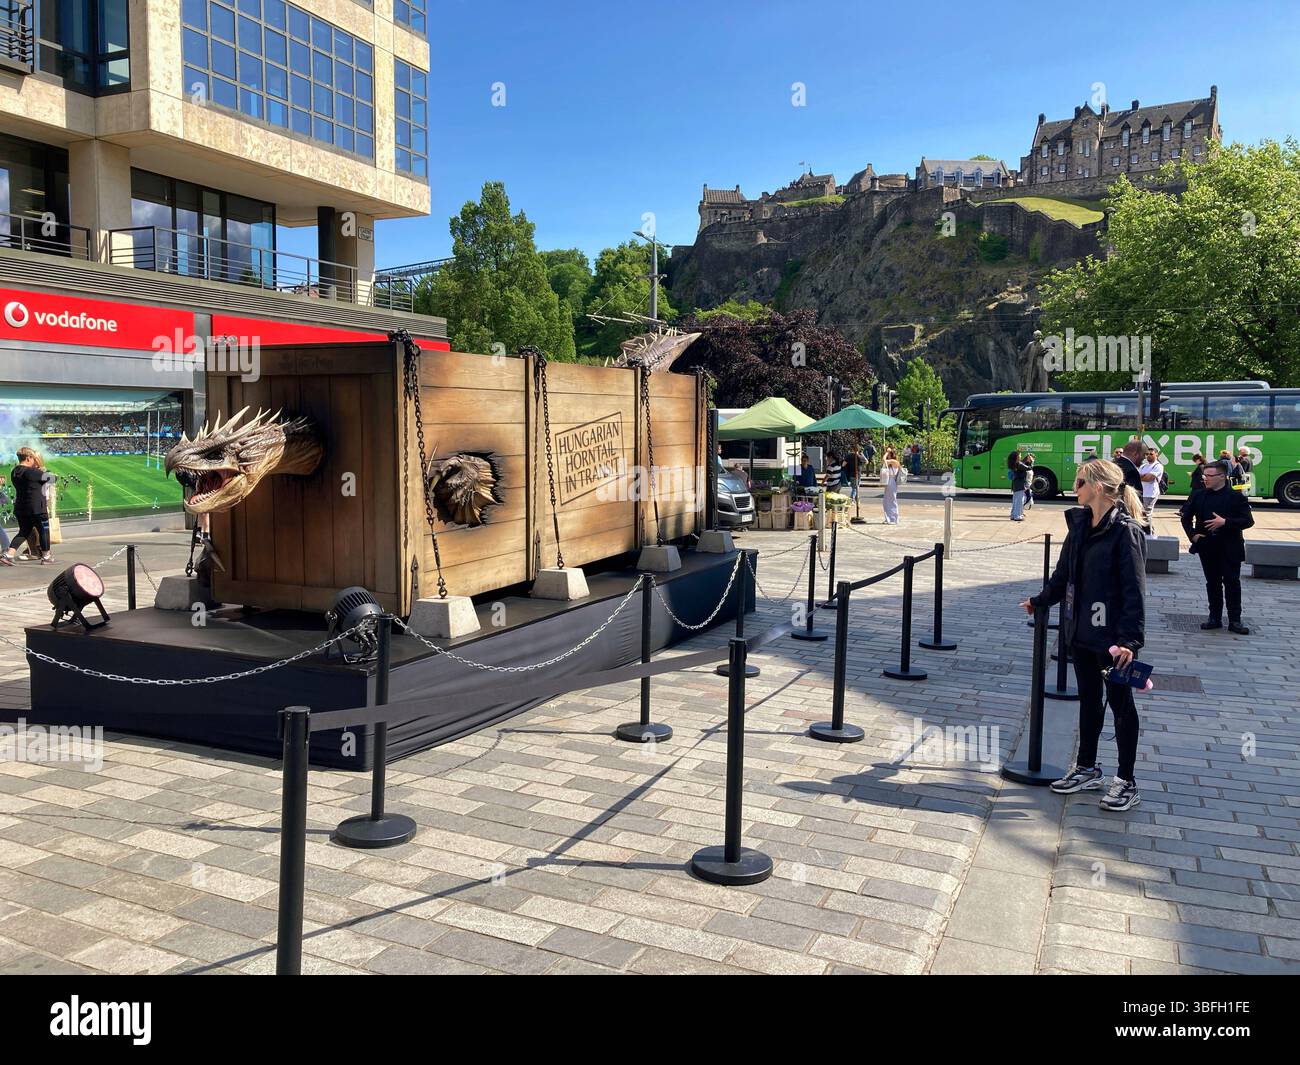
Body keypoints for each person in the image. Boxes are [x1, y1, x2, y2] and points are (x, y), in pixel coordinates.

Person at [1020, 459, 1147, 812]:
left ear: (1099, 487)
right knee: (1089, 700)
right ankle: (1088, 767)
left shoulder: (1126, 531)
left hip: (1113, 639)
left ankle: (1126, 780)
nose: (1074, 488)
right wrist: (1040, 600)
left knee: (1121, 705)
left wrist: (1129, 641)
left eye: (1079, 483)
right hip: (1081, 631)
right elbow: (1064, 575)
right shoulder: (1079, 525)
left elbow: (1133, 590)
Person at [1179, 459, 1254, 635]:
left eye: (1210, 476)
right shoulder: (1199, 495)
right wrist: (1193, 536)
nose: (1206, 479)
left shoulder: (1236, 496)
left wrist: (1225, 522)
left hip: (1230, 547)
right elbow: (1185, 517)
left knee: (1232, 582)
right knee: (1212, 583)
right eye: (1205, 475)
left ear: (1222, 476)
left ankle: (1235, 620)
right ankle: (1214, 617)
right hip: (1207, 546)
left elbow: (1248, 521)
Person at [3, 447, 53, 566]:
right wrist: (40, 466)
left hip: (21, 507)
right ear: (29, 458)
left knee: (24, 531)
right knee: (44, 531)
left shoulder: (15, 471)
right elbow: (52, 479)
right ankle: (46, 556)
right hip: (37, 508)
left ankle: (9, 555)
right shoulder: (32, 472)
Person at [1138, 446, 1164, 527]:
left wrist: (1142, 476)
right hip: (1141, 493)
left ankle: (1149, 534)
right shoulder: (1143, 466)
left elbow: (1149, 478)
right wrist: (1143, 476)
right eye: (1147, 454)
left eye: (1151, 454)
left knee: (1146, 515)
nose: (1148, 455)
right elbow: (1137, 476)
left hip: (1150, 494)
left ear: (1157, 455)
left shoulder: (1158, 466)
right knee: (1140, 514)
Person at [881, 447, 902, 524]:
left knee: (892, 500)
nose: (887, 456)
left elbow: (883, 460)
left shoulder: (894, 461)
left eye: (889, 454)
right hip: (889, 481)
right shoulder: (891, 462)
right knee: (886, 501)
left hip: (891, 481)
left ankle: (894, 518)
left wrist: (886, 452)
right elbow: (883, 461)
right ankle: (889, 518)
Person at [1007, 449, 1030, 521]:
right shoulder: (1019, 464)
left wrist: (1026, 459)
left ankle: (1013, 515)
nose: (1020, 456)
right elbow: (1029, 468)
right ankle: (1017, 516)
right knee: (1019, 501)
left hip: (1015, 484)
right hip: (1020, 484)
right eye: (1019, 455)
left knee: (1015, 500)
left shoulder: (1014, 463)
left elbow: (1022, 464)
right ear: (1016, 457)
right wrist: (1030, 462)